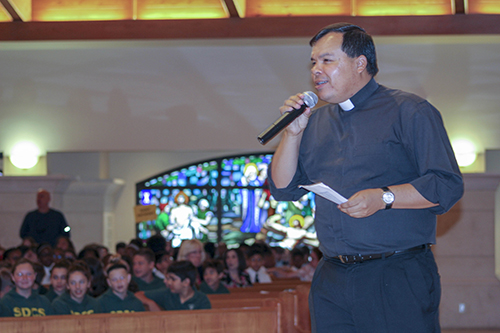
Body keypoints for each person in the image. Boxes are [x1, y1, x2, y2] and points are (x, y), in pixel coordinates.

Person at [268, 22, 464, 333]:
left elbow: (446, 184)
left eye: (327, 60)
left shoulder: (409, 110)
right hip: (332, 275)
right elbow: (282, 189)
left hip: (395, 273)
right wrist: (292, 134)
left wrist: (384, 197)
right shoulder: (314, 122)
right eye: (313, 62)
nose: (316, 70)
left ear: (360, 63)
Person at [141, 261, 211, 311]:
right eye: (168, 278)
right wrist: (150, 303)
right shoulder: (167, 294)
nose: (168, 282)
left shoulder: (201, 299)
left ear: (186, 282)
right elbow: (139, 295)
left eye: (173, 279)